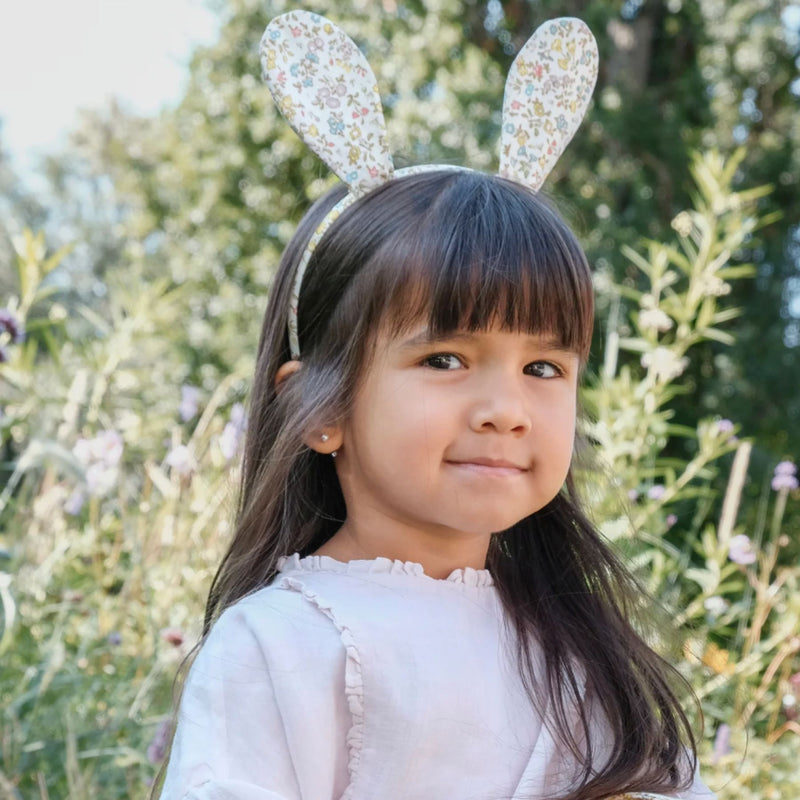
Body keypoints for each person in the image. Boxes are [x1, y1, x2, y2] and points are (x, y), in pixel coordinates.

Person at [156, 10, 716, 800]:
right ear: (321, 410)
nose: (506, 408)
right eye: (445, 358)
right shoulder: (281, 646)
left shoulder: (584, 653)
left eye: (545, 367)